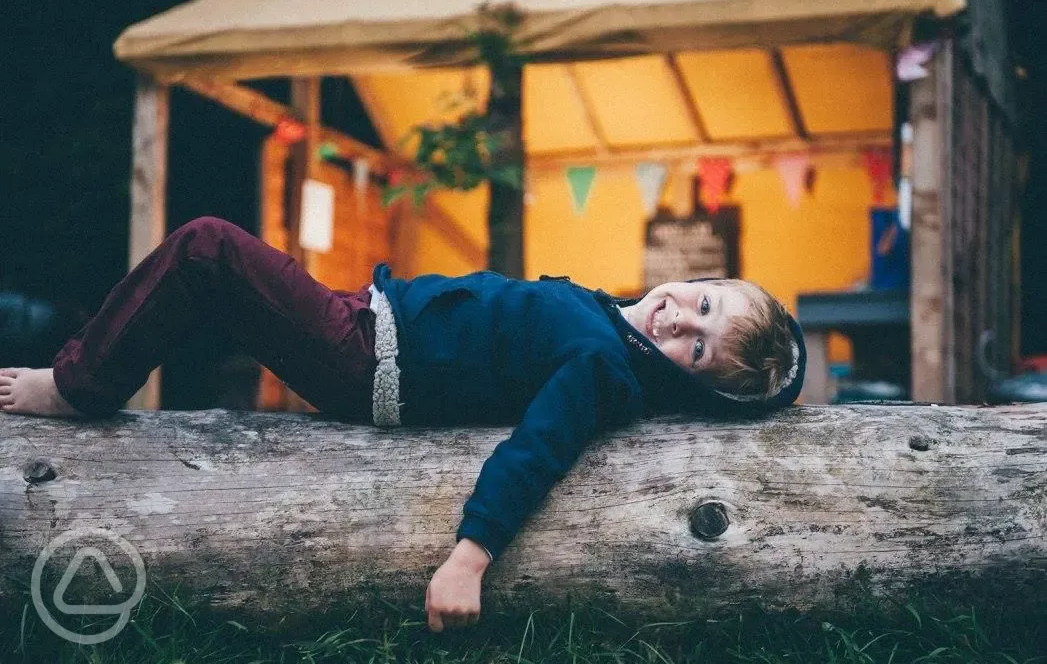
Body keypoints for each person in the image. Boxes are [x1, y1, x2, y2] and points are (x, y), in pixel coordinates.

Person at [0, 216, 806, 631]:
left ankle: (79, 383)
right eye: (704, 303)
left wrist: (468, 560)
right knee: (209, 286)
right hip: (364, 316)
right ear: (707, 275)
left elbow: (536, 453)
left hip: (366, 360)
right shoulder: (607, 315)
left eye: (697, 350)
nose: (681, 323)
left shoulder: (602, 366)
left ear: (682, 379)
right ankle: (90, 352)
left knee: (208, 248)